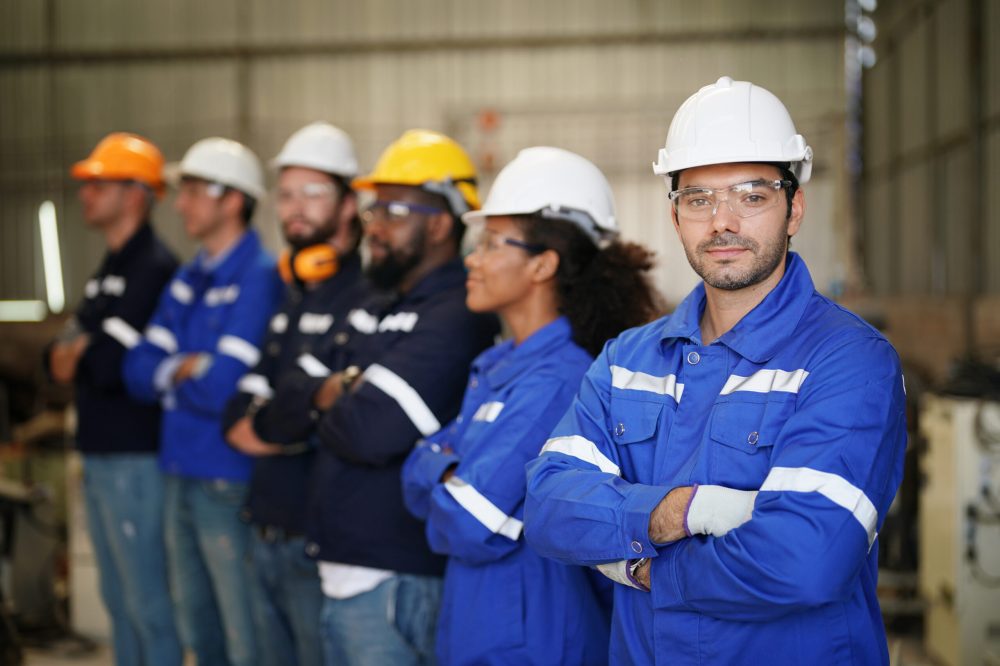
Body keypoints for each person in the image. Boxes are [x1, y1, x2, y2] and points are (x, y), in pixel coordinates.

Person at [524, 76, 908, 664]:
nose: (722, 221)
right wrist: (676, 511)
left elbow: (804, 561)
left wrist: (642, 567)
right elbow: (549, 507)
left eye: (751, 195)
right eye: (699, 199)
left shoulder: (849, 360)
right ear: (675, 216)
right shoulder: (628, 359)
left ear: (794, 207)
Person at [401, 146, 663, 665]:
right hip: (479, 628)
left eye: (493, 244)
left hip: (534, 641)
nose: (472, 259)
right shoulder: (499, 364)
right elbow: (419, 476)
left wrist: (441, 466)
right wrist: (446, 473)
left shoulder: (560, 379)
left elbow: (472, 523)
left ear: (544, 263)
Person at [300, 129, 499, 666]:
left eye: (392, 210)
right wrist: (333, 396)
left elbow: (371, 430)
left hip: (396, 576)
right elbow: (293, 401)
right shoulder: (377, 299)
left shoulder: (460, 312)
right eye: (371, 209)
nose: (374, 226)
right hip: (346, 567)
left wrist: (328, 397)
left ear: (439, 223)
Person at [123, 137, 284, 666]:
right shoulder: (188, 276)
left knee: (244, 634)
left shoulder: (259, 276)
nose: (180, 203)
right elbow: (137, 370)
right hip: (180, 471)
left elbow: (224, 387)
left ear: (231, 199)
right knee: (201, 629)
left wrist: (176, 372)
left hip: (226, 478)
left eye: (192, 190)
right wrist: (186, 367)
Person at [221, 122, 369, 666]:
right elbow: (242, 404)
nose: (295, 208)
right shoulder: (293, 296)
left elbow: (311, 417)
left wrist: (282, 418)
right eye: (285, 194)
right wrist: (287, 411)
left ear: (350, 204)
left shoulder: (367, 297)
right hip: (264, 529)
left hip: (316, 541)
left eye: (313, 193)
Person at [47, 133, 182, 666]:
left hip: (134, 455)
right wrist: (77, 349)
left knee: (148, 601)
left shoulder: (152, 268)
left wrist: (80, 350)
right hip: (102, 452)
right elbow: (59, 357)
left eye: (99, 184)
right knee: (118, 600)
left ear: (136, 194)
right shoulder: (110, 271)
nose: (86, 194)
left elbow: (105, 367)